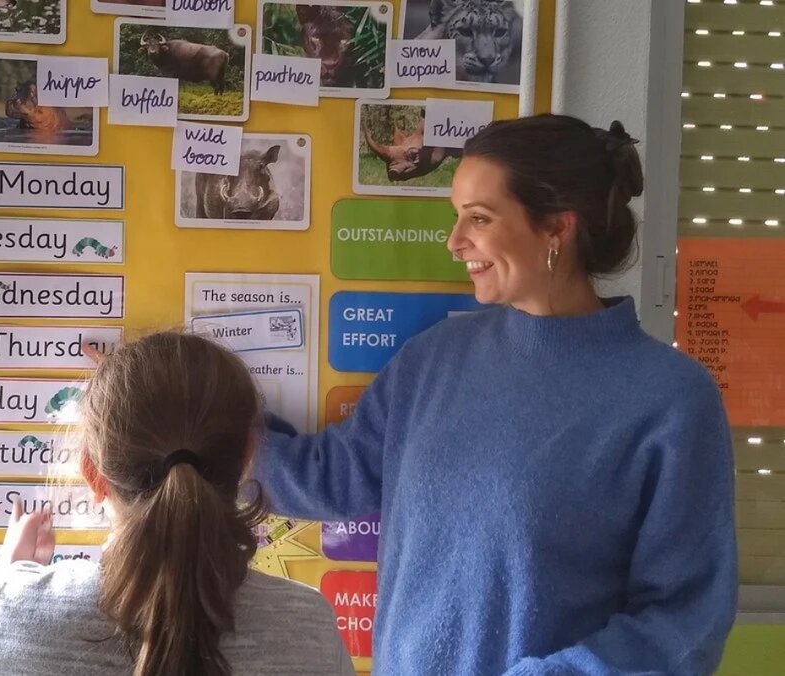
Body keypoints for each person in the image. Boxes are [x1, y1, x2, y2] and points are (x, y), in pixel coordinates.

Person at [256, 114, 737, 675]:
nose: (455, 242)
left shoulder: (670, 401)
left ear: (558, 228)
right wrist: (195, 430)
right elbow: (335, 475)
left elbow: (684, 621)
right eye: (457, 217)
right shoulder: (435, 357)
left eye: (479, 219)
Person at [0, 332, 355, 676]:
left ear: (92, 473)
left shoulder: (13, 612)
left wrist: (5, 575)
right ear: (248, 459)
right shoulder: (308, 627)